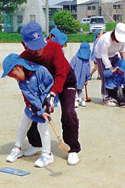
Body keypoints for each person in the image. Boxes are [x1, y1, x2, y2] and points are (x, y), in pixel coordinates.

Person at [20, 22, 80, 166]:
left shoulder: (54, 47)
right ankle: (37, 144)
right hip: (44, 86)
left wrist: (52, 94)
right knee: (34, 112)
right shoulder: (23, 57)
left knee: (69, 113)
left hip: (65, 81)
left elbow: (60, 74)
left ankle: (72, 148)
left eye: (40, 45)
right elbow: (24, 83)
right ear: (24, 44)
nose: (38, 51)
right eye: (33, 48)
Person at [1, 53, 56, 168]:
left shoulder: (41, 71)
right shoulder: (21, 83)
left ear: (19, 67)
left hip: (47, 103)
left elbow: (51, 87)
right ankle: (17, 148)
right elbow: (30, 99)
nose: (15, 78)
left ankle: (47, 154)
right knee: (23, 126)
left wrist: (47, 106)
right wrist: (39, 111)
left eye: (14, 75)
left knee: (43, 128)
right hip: (33, 106)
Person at [94, 23, 125, 106]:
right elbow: (104, 55)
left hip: (113, 54)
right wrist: (111, 69)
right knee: (106, 76)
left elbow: (122, 51)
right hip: (100, 55)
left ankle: (117, 94)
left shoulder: (123, 41)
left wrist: (123, 64)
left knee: (119, 74)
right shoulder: (106, 39)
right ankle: (106, 97)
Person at [70, 42, 91, 107]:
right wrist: (87, 78)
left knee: (75, 88)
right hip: (83, 78)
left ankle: (76, 100)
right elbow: (88, 70)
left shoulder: (75, 57)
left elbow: (71, 67)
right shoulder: (87, 60)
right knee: (80, 89)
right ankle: (82, 100)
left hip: (74, 76)